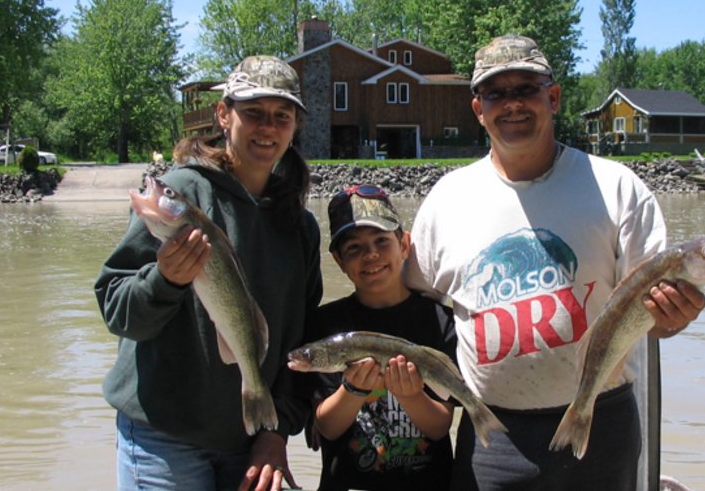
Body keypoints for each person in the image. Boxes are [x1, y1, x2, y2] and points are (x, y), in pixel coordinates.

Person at [404, 34, 705, 491]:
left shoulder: (616, 188)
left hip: (601, 426)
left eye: (526, 88)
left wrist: (674, 317)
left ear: (554, 97)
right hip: (493, 437)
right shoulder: (446, 200)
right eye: (496, 93)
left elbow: (652, 319)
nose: (512, 105)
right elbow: (415, 304)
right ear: (477, 109)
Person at [95, 55, 322, 491]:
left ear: (294, 127)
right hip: (164, 438)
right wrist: (165, 280)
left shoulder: (299, 225)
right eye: (253, 113)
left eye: (282, 116)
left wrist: (276, 432)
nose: (267, 128)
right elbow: (118, 312)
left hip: (252, 442)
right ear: (223, 115)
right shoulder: (182, 192)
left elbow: (301, 339)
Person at [304, 185, 457, 491]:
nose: (371, 254)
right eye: (354, 248)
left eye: (381, 241)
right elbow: (327, 428)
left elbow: (441, 426)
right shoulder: (324, 326)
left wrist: (412, 396)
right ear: (338, 260)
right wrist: (353, 389)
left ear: (405, 244)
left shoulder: (439, 320)